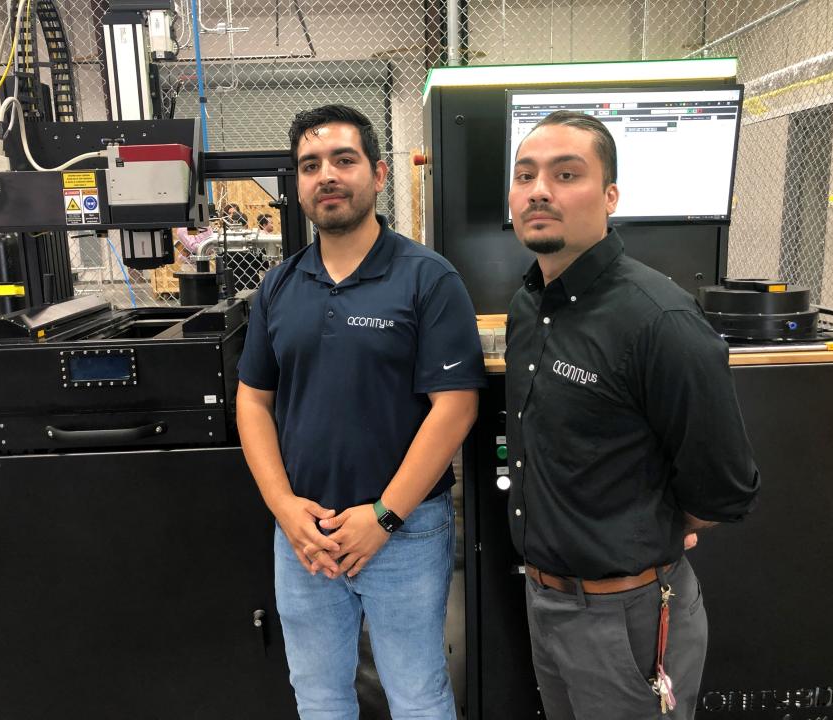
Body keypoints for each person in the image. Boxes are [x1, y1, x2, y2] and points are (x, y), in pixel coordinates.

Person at [504, 110, 760, 719]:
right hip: (545, 603)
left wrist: (655, 532)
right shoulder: (527, 306)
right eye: (526, 174)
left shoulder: (660, 322)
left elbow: (726, 487)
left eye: (567, 174)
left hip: (627, 617)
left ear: (611, 195)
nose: (540, 190)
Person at [236, 104, 485, 719]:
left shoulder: (428, 278)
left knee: (418, 692)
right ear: (296, 187)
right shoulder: (278, 286)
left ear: (377, 175)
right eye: (310, 165)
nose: (327, 175)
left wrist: (383, 517)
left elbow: (455, 408)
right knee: (318, 695)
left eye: (344, 160)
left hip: (403, 533)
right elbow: (253, 400)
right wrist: (284, 509)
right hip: (305, 537)